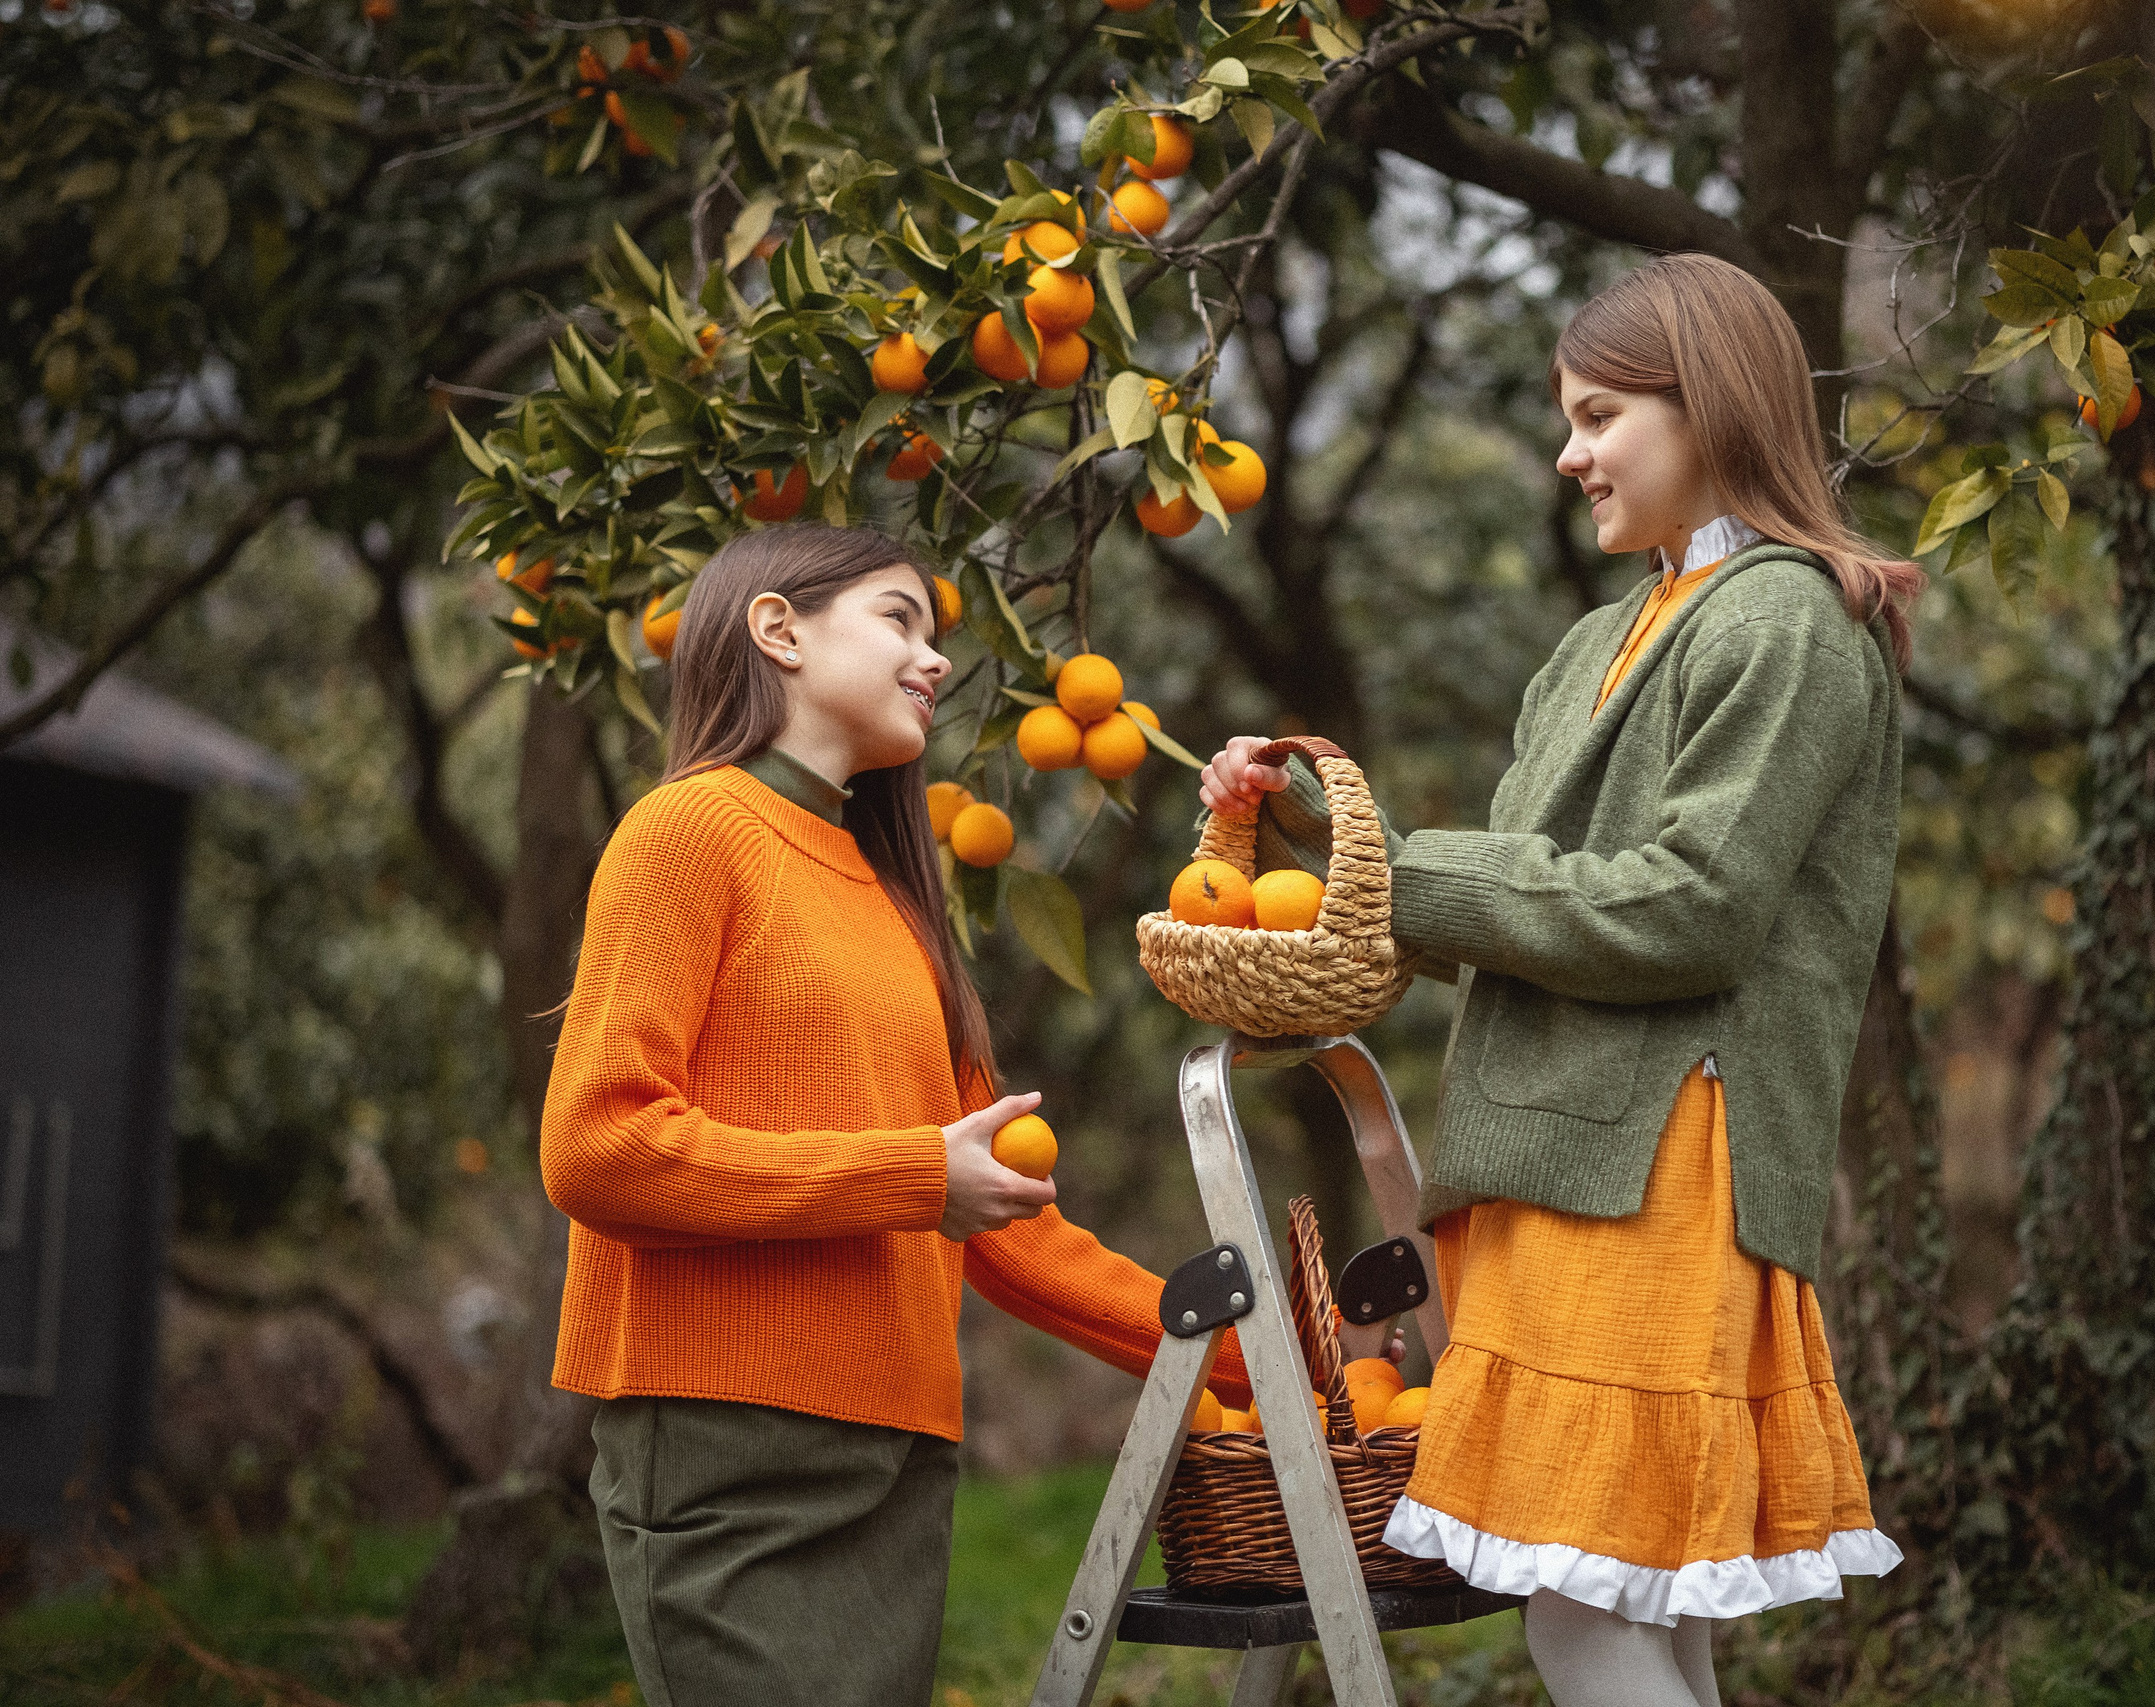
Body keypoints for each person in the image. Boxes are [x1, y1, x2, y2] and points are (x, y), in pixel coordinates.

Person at [1200, 253, 1918, 1707]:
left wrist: (1407, 875)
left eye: (1600, 415)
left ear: (1708, 403)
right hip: (1569, 1153)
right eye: (1566, 419)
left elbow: (1696, 910)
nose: (1568, 452)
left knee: (1580, 1618)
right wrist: (1338, 847)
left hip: (1657, 1163)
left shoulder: (1782, 619)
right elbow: (1516, 895)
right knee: (1648, 1618)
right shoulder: (1604, 637)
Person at [543, 523, 1251, 1707]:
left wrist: (1249, 1357)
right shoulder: (687, 831)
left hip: (895, 1453)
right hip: (732, 1443)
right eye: (898, 619)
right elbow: (598, 1149)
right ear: (778, 630)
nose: (935, 660)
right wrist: (913, 1178)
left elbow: (1013, 1230)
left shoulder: (894, 901)